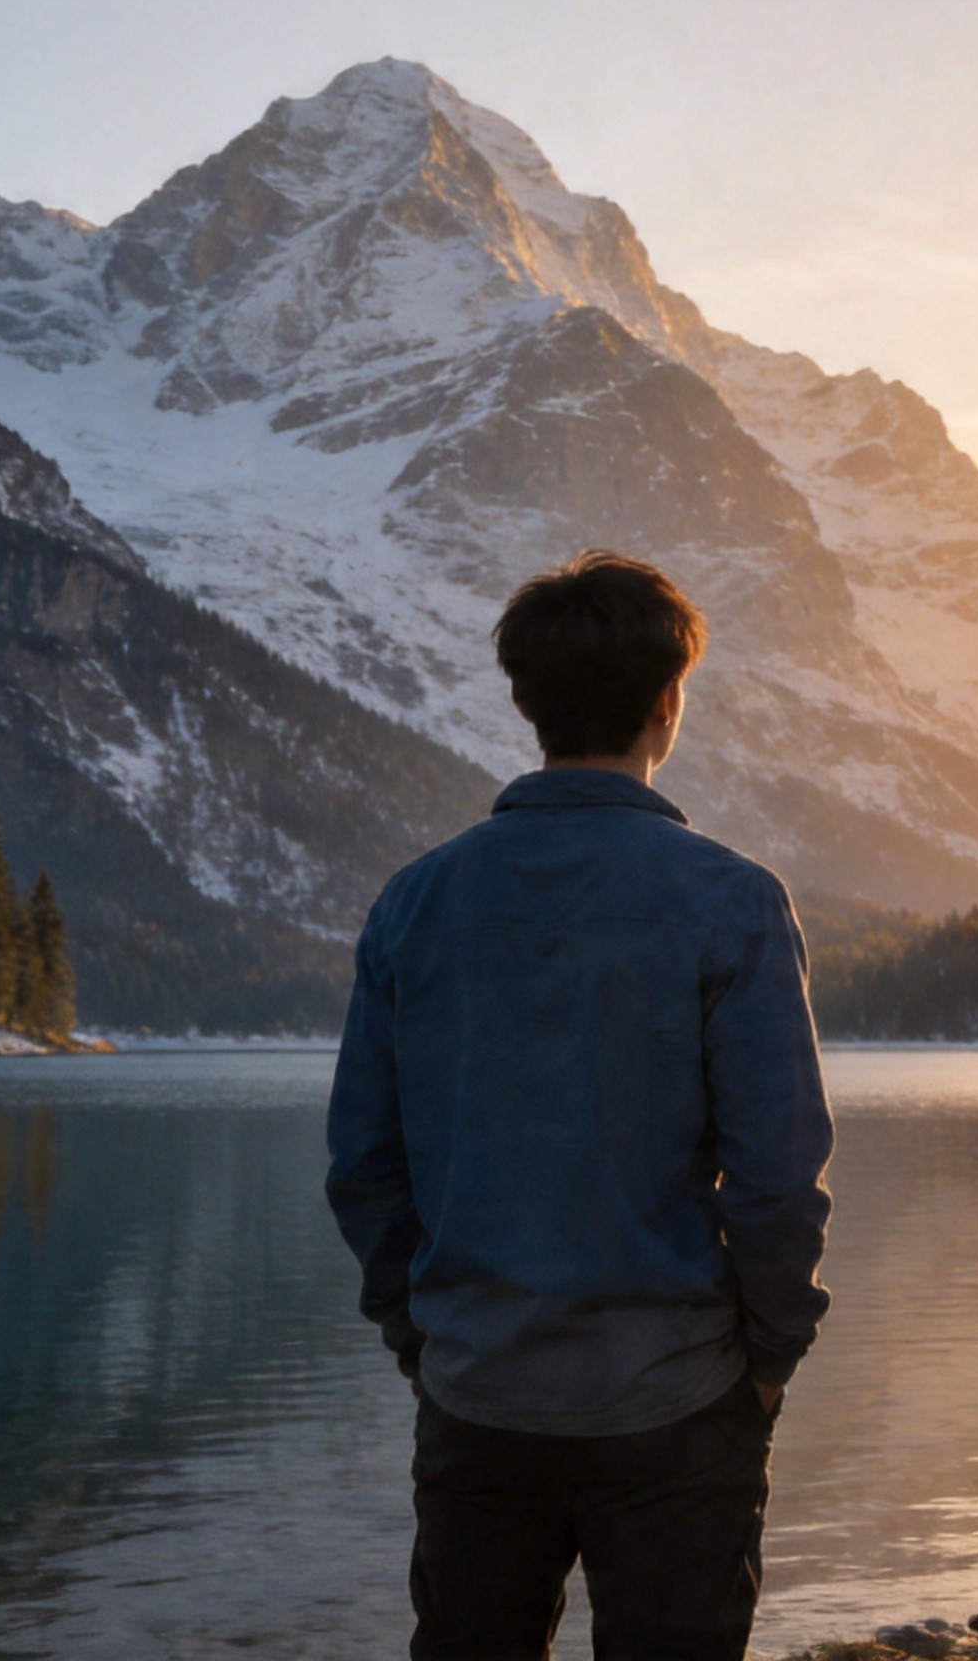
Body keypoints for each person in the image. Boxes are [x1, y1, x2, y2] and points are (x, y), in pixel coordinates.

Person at [326, 550, 834, 1661]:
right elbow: (776, 1176)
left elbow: (365, 1166)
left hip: (477, 1394)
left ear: (524, 702)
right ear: (667, 703)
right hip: (676, 1400)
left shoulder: (414, 901)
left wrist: (426, 1340)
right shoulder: (730, 899)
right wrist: (769, 1352)